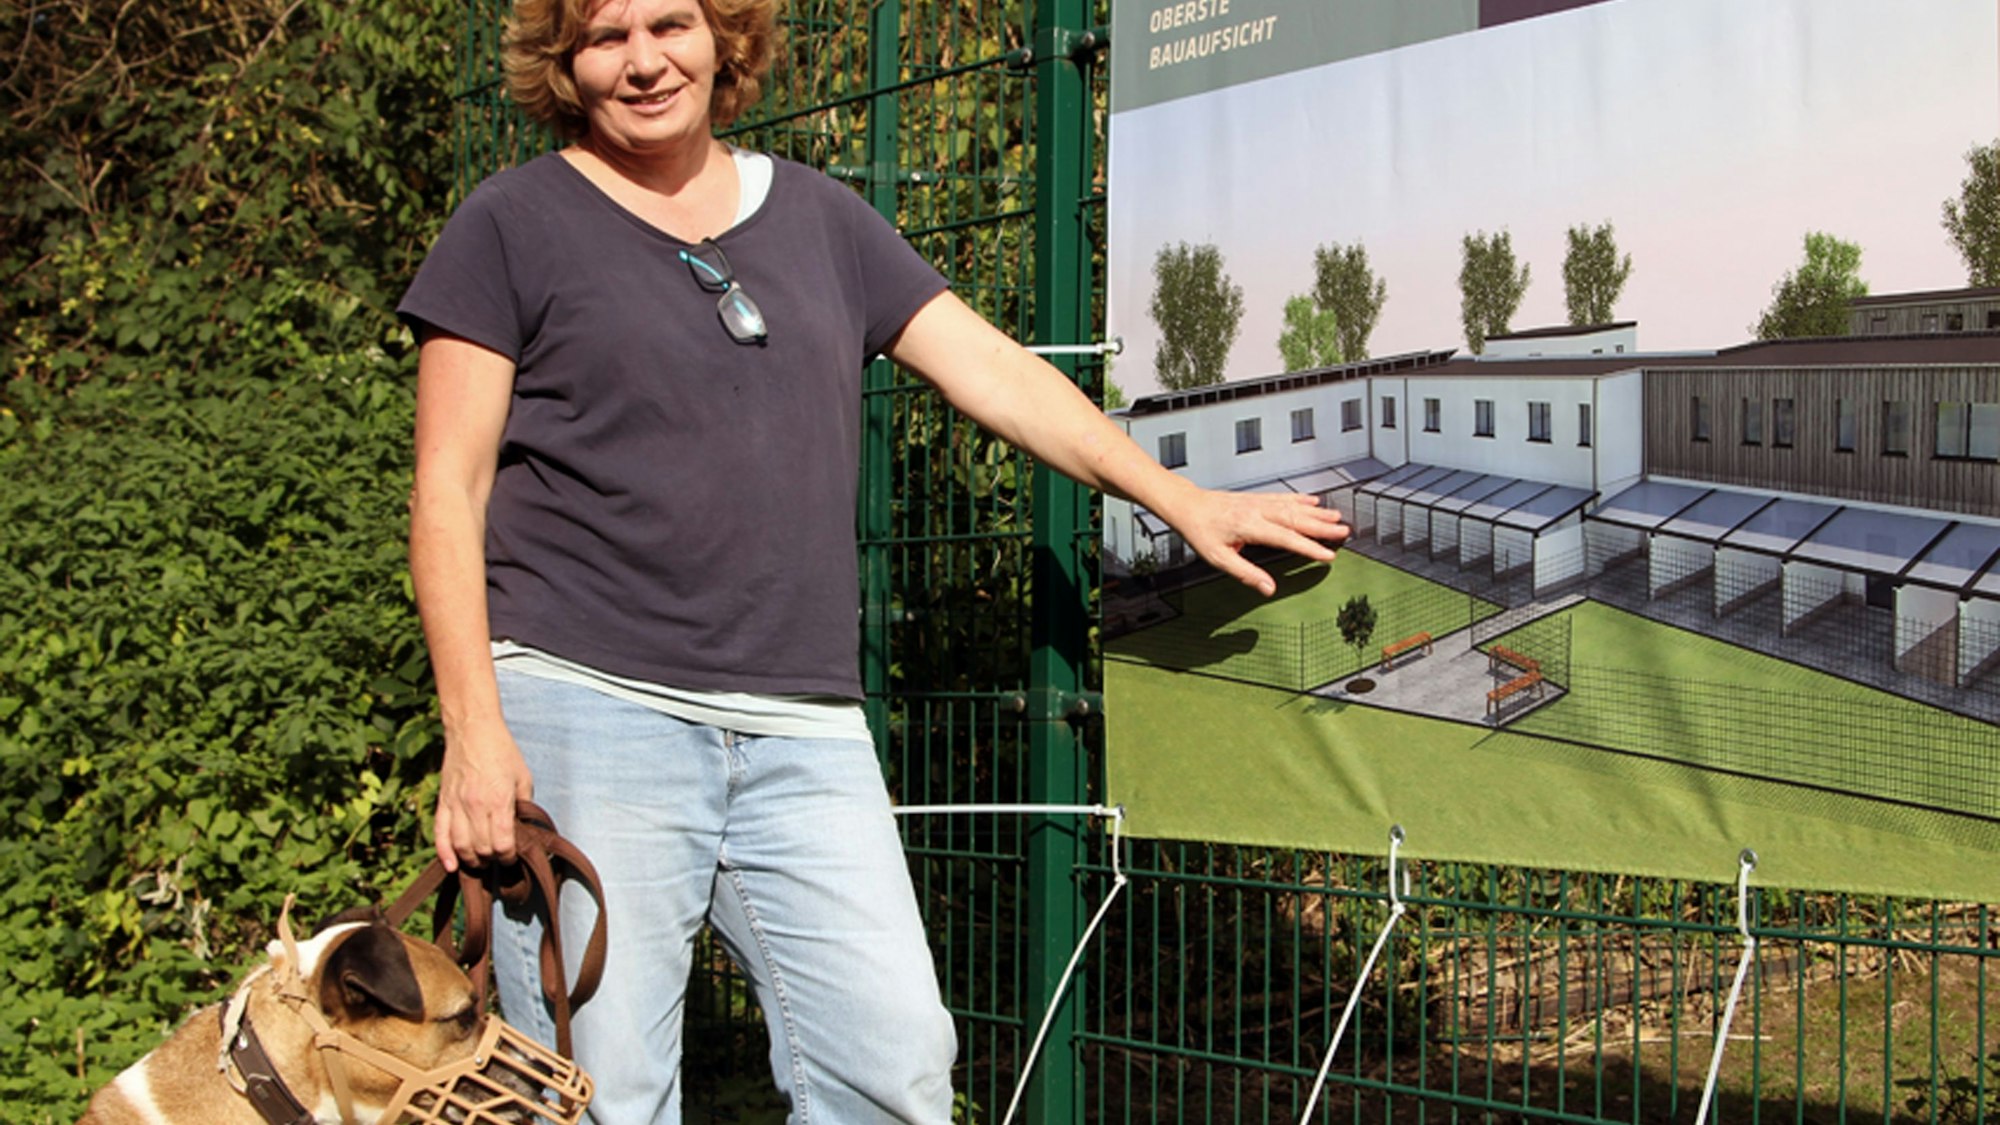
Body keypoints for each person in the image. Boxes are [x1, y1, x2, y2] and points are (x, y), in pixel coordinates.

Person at [398, 0, 1350, 1120]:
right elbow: (448, 492)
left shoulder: (819, 216)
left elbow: (996, 373)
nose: (645, 61)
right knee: (605, 1095)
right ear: (565, 64)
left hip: (802, 724)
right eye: (607, 37)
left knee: (892, 1065)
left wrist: (1178, 498)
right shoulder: (511, 224)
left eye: (671, 24)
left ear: (723, 37)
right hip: (589, 706)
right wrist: (474, 731)